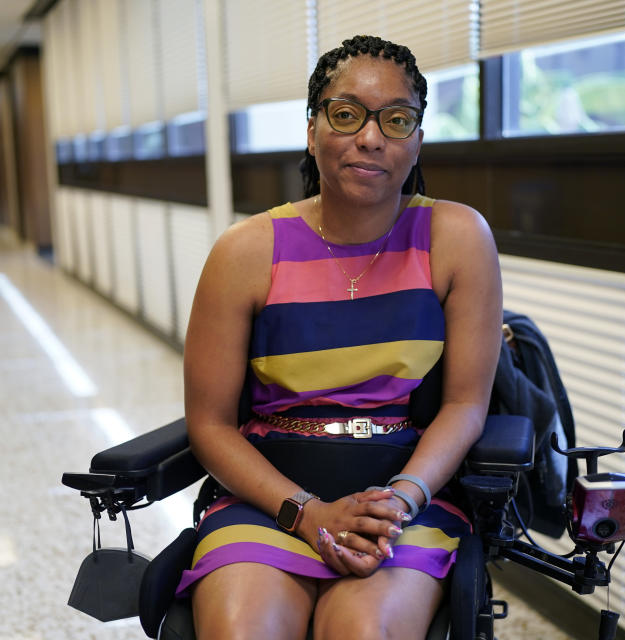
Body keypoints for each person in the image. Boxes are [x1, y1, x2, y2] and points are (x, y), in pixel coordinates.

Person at [181, 35, 502, 639]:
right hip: (269, 499)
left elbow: (464, 404)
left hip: (404, 499)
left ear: (417, 141)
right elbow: (211, 424)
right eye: (347, 114)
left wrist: (399, 501)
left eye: (397, 119)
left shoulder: (456, 237)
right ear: (311, 129)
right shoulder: (246, 251)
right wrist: (306, 512)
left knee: (362, 632)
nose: (371, 137)